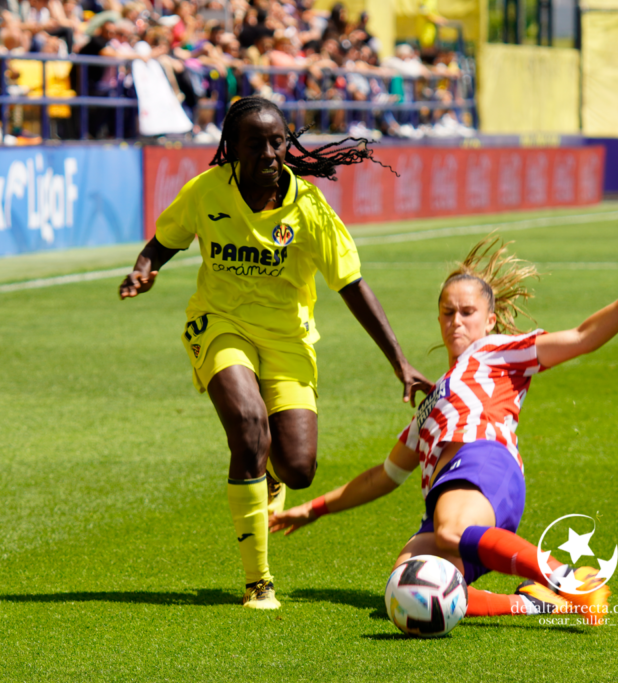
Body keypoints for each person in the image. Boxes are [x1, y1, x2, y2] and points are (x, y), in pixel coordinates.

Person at [118, 96, 432, 609]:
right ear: (232, 149)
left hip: (288, 337)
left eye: (277, 141)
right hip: (220, 324)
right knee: (247, 426)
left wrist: (399, 361)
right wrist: (142, 269)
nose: (269, 152)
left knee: (298, 467)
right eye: (255, 143)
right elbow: (162, 243)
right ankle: (258, 581)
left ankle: (269, 478)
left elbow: (351, 284)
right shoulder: (206, 192)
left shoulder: (308, 207)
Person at [270, 236, 618, 625]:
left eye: (467, 313)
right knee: (408, 586)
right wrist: (313, 509)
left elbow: (581, 336)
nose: (456, 322)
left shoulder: (496, 351)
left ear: (489, 321)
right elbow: (383, 476)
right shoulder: (430, 406)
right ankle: (535, 603)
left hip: (486, 464)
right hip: (454, 499)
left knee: (449, 531)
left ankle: (571, 580)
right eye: (448, 313)